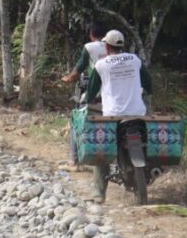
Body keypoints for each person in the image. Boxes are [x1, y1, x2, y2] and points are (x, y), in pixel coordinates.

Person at [82, 29, 153, 203]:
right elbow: (148, 83)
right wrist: (146, 92)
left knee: (102, 149)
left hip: (113, 116)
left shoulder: (101, 65)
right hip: (137, 114)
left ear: (106, 46)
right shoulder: (134, 60)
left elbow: (91, 92)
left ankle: (99, 194)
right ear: (122, 45)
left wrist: (88, 100)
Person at [62, 21, 107, 166]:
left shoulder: (89, 47)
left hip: (98, 92)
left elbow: (78, 71)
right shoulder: (117, 49)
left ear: (91, 35)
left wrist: (67, 78)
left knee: (76, 120)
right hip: (116, 95)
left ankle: (74, 161)